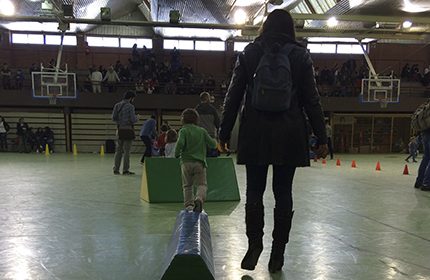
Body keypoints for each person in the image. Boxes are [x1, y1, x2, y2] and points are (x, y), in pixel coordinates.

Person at [219, 9, 328, 273]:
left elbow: (233, 95)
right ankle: (277, 253)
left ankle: (254, 245)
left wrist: (223, 133)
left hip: (255, 132)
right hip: (289, 133)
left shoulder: (249, 53)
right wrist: (322, 137)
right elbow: (312, 100)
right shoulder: (301, 55)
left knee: (254, 191)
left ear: (265, 26)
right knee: (284, 193)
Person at [175, 109, 217, 212]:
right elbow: (212, 144)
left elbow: (180, 143)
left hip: (186, 163)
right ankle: (199, 198)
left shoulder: (183, 130)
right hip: (199, 163)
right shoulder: (202, 131)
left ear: (183, 120)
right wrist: (215, 142)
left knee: (187, 186)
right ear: (196, 120)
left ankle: (189, 205)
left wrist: (176, 154)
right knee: (202, 184)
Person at [112, 91, 138, 175]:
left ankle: (116, 169)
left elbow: (113, 118)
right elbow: (133, 120)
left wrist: (120, 121)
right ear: (131, 98)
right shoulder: (131, 106)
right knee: (127, 151)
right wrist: (137, 118)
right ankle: (125, 170)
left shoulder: (117, 105)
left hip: (119, 130)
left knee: (118, 150)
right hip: (128, 130)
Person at [196, 92, 220, 157]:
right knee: (211, 156)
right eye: (209, 97)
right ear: (207, 98)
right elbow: (217, 123)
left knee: (200, 155)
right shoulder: (212, 109)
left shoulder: (196, 110)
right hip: (210, 135)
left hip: (199, 135)